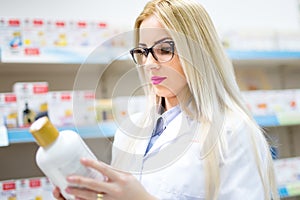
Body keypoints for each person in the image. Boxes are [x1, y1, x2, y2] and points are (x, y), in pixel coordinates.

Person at [53, 0, 279, 199]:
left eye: (164, 49)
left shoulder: (233, 132)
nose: (149, 63)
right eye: (143, 52)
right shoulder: (129, 133)